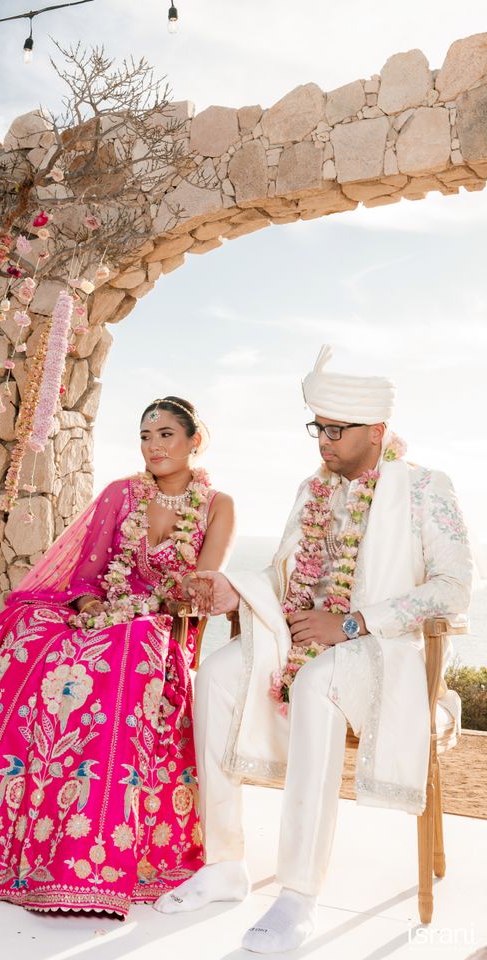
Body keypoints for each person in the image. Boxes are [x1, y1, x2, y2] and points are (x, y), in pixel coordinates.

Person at [0, 396, 234, 918]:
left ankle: (84, 846)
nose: (154, 446)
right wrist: (95, 607)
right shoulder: (120, 494)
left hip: (159, 625)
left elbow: (200, 587)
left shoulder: (218, 505)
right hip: (101, 613)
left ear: (195, 440)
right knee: (29, 635)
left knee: (130, 647)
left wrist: (150, 607)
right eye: (146, 436)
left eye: (166, 434)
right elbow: (86, 577)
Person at [156, 346, 472, 954]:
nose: (322, 441)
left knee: (316, 682)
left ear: (376, 431)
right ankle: (224, 863)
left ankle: (299, 894)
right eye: (317, 428)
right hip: (305, 638)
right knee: (216, 673)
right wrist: (233, 590)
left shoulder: (425, 488)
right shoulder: (312, 490)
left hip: (385, 652)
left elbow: (454, 587)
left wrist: (353, 623)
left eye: (335, 430)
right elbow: (284, 575)